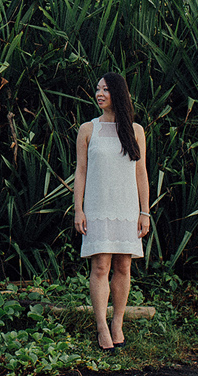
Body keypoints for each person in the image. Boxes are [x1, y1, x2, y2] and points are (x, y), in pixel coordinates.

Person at [73, 72, 150, 353]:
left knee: (123, 266)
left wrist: (145, 212)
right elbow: (80, 172)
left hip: (127, 207)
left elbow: (141, 174)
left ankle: (117, 321)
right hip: (97, 206)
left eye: (105, 89)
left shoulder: (135, 130)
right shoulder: (88, 129)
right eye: (97, 89)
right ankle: (101, 326)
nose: (99, 93)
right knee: (100, 266)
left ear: (118, 93)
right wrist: (78, 209)